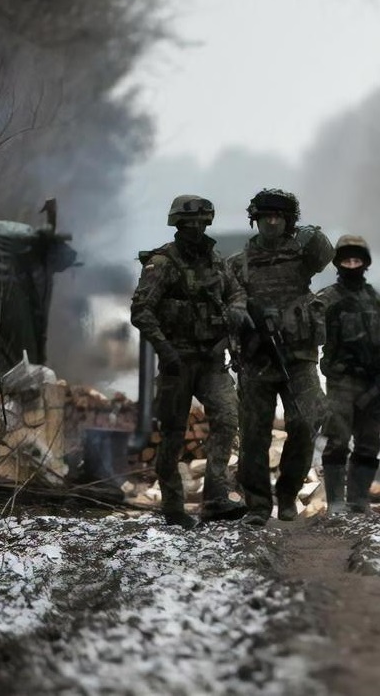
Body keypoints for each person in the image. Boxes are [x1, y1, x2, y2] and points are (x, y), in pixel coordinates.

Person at [129, 195, 247, 528]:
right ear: (177, 225)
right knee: (173, 433)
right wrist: (165, 350)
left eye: (201, 223)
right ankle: (173, 506)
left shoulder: (215, 260)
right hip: (176, 360)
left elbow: (236, 293)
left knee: (227, 416)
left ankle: (215, 497)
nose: (195, 228)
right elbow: (141, 311)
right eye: (188, 223)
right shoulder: (163, 263)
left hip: (211, 357)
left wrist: (234, 316)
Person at [227, 188, 333, 526]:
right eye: (266, 216)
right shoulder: (239, 264)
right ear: (255, 219)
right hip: (257, 359)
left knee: (305, 422)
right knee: (255, 432)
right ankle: (258, 505)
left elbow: (327, 250)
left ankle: (287, 494)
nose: (272, 222)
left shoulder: (301, 254)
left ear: (288, 221)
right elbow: (226, 305)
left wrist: (309, 234)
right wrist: (242, 315)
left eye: (280, 217)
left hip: (299, 356)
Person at [316, 235, 380, 515]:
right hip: (342, 380)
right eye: (346, 260)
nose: (352, 265)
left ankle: (359, 500)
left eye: (357, 260)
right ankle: (336, 502)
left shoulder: (376, 299)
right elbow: (310, 331)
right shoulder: (328, 299)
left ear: (365, 263)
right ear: (338, 264)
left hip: (372, 382)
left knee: (369, 441)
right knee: (338, 438)